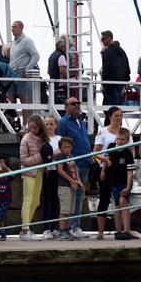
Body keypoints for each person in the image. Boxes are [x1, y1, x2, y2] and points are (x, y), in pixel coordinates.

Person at [57, 97, 92, 239]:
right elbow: (60, 143)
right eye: (73, 104)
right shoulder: (64, 122)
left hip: (86, 162)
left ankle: (75, 226)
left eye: (78, 103)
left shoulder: (81, 120)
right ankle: (69, 228)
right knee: (71, 198)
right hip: (74, 164)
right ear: (66, 107)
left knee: (79, 197)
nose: (77, 105)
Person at [94, 106, 131, 239]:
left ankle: (122, 231)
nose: (119, 118)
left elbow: (130, 150)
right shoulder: (103, 132)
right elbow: (96, 153)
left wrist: (130, 166)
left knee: (120, 200)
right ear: (110, 117)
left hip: (121, 171)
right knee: (104, 198)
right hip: (105, 169)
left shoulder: (125, 132)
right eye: (116, 115)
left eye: (121, 115)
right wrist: (105, 162)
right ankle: (100, 232)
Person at [101, 128, 137, 240]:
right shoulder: (111, 147)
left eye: (122, 140)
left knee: (123, 202)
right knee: (116, 205)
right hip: (113, 181)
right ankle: (118, 231)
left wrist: (128, 186)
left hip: (124, 182)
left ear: (127, 141)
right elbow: (105, 160)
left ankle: (127, 230)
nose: (119, 142)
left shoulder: (128, 153)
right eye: (118, 139)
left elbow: (130, 172)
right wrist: (103, 170)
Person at [19, 115, 51, 241]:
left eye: (35, 127)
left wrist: (59, 151)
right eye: (30, 127)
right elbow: (23, 160)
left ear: (40, 127)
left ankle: (26, 228)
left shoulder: (43, 138)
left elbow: (48, 155)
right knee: (28, 200)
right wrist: (40, 156)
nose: (33, 130)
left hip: (39, 171)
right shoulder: (25, 139)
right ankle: (25, 229)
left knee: (36, 201)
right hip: (28, 173)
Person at [8, 21, 41, 123]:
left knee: (23, 99)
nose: (12, 29)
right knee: (10, 98)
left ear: (21, 28)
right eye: (12, 27)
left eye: (15, 27)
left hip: (21, 72)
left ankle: (25, 123)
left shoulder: (27, 41)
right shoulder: (14, 42)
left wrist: (28, 68)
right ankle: (12, 122)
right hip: (12, 72)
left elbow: (36, 55)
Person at [40, 115, 62, 240]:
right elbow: (45, 155)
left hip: (57, 171)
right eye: (47, 124)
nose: (49, 126)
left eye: (51, 124)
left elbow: (63, 152)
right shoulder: (42, 139)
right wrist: (54, 154)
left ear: (55, 126)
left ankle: (54, 227)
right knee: (46, 199)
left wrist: (53, 155)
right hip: (46, 171)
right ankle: (46, 228)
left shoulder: (59, 138)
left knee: (55, 200)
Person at [55, 137, 81, 241]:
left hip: (73, 186)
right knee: (64, 210)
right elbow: (60, 170)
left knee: (70, 210)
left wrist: (78, 181)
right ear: (60, 148)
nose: (67, 149)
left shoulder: (70, 156)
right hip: (64, 186)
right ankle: (62, 231)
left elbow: (75, 169)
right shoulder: (61, 156)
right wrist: (71, 180)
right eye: (64, 147)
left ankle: (67, 229)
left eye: (69, 147)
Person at [100, 30, 130, 105]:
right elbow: (127, 67)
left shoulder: (108, 52)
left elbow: (106, 69)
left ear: (109, 38)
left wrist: (105, 83)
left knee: (112, 108)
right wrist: (125, 81)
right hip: (120, 85)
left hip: (110, 85)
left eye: (103, 39)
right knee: (116, 108)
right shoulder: (122, 51)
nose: (102, 41)